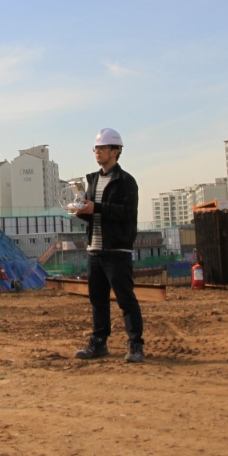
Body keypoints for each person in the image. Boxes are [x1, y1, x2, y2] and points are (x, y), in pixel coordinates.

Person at [73, 128, 143, 363]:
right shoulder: (92, 180)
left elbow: (127, 213)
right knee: (98, 300)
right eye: (96, 148)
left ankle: (135, 344)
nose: (98, 152)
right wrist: (81, 212)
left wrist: (97, 208)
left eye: (102, 148)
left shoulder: (126, 182)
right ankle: (99, 342)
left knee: (126, 300)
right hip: (95, 249)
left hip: (117, 251)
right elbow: (95, 214)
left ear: (115, 151)